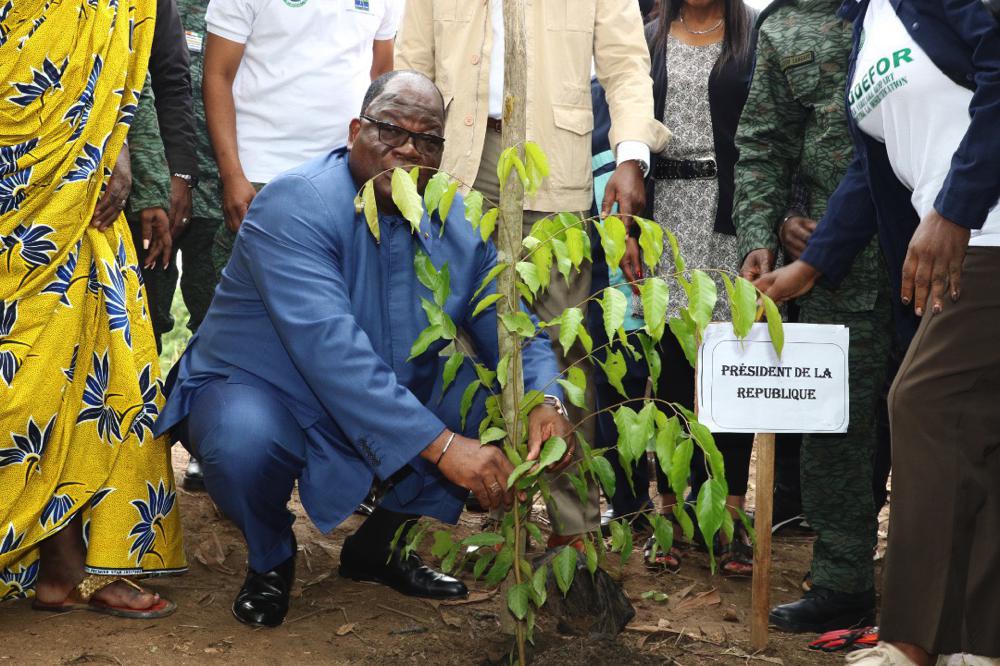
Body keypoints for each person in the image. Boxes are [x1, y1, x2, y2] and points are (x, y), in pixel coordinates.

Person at [154, 71, 575, 628]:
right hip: (267, 389)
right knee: (242, 443)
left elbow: (507, 319)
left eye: (427, 140)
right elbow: (331, 351)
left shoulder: (453, 217)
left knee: (483, 401)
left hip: (382, 388)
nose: (408, 149)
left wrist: (545, 400)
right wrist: (445, 446)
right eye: (390, 130)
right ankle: (272, 557)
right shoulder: (295, 203)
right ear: (356, 129)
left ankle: (380, 548)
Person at [753, 0, 1000, 662]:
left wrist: (955, 208)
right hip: (961, 242)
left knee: (923, 405)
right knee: (977, 428)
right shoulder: (867, 20)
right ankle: (976, 642)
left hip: (986, 235)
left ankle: (913, 638)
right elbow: (875, 168)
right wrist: (811, 265)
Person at [396, 0, 671, 549]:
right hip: (458, 168)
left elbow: (624, 64)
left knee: (563, 351)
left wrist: (630, 157)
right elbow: (412, 67)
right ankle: (502, 520)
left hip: (555, 168)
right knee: (461, 346)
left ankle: (574, 532)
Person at [0, 0, 184, 615]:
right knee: (20, 373)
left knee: (103, 359)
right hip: (16, 180)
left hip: (85, 182)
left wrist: (117, 145)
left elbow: (129, 64)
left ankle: (80, 560)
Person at [732, 0, 894, 632]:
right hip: (830, 270)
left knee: (938, 421)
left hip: (935, 249)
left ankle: (938, 580)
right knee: (837, 428)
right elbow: (762, 145)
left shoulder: (925, 14)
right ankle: (843, 580)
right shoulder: (788, 24)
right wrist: (764, 232)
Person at [633, 0, 758, 576]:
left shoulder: (752, 30)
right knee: (672, 370)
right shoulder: (648, 34)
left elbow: (773, 133)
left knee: (733, 366)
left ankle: (731, 514)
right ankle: (672, 514)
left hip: (731, 219)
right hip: (665, 220)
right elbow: (628, 130)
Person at [202, 0, 403, 277]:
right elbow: (217, 76)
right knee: (252, 299)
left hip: (347, 177)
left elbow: (381, 77)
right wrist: (232, 175)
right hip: (261, 175)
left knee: (339, 293)